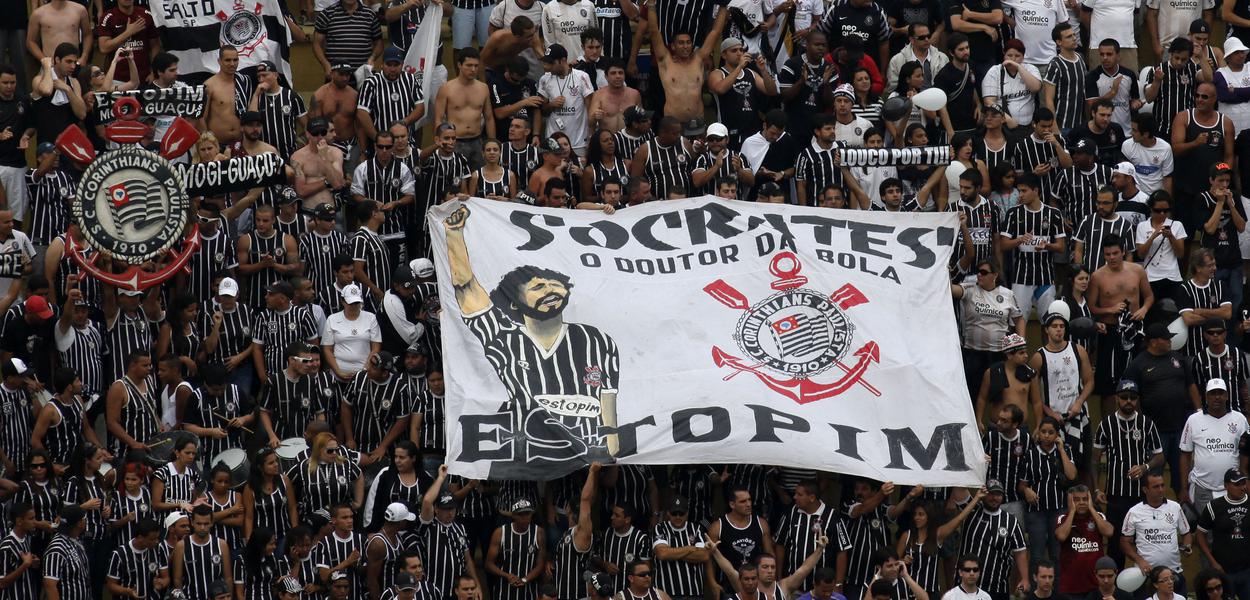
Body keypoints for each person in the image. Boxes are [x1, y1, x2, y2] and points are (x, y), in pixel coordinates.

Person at [645, 5, 728, 123]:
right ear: (673, 46)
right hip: (673, 124)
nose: (685, 46)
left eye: (688, 42)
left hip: (698, 122)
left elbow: (715, 32)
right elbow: (654, 31)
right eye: (681, 43)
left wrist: (723, 6)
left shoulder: (698, 59)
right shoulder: (666, 61)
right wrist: (652, 5)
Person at [1123, 472, 1192, 596]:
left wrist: (1187, 546)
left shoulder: (1175, 507)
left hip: (1173, 573)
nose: (1161, 490)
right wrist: (1139, 560)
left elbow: (1186, 533)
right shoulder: (1134, 512)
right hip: (1147, 576)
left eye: (1162, 485)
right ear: (1145, 489)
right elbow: (1124, 542)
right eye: (1156, 487)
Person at [435, 48, 495, 169]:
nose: (473, 69)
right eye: (469, 65)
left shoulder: (483, 88)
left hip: (477, 141)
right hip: (455, 141)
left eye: (476, 66)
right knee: (455, 179)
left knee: (478, 178)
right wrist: (440, 141)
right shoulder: (446, 89)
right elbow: (438, 119)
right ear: (459, 65)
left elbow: (489, 118)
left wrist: (492, 142)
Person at [1196, 468, 1250, 597]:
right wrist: (1213, 562)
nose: (1242, 487)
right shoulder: (1214, 506)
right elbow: (1200, 534)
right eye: (1237, 484)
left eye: (1243, 483)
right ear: (1226, 486)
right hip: (1224, 570)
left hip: (1247, 570)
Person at [1055, 486, 1113, 595]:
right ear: (1070, 501)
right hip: (1070, 584)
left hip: (1095, 584)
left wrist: (1091, 508)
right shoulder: (1063, 518)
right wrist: (1072, 510)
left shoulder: (1098, 516)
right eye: (1076, 500)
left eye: (1085, 499)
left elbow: (1108, 532)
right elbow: (1061, 536)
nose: (1082, 502)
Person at [314, 0, 383, 76]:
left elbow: (379, 43)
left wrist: (372, 58)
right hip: (336, 75)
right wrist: (325, 64)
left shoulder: (370, 15)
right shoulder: (326, 14)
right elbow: (317, 44)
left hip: (362, 75)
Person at [42, 505, 90, 600]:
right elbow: (50, 586)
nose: (86, 521)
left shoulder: (75, 540)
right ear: (79, 523)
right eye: (84, 518)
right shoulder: (57, 550)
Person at [25, 0, 91, 66]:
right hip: (50, 66)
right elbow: (31, 42)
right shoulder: (38, 14)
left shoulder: (80, 10)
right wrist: (44, 59)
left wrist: (84, 56)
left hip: (74, 64)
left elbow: (87, 35)